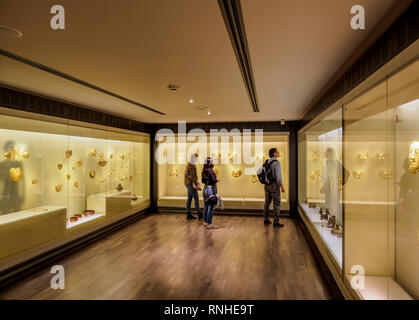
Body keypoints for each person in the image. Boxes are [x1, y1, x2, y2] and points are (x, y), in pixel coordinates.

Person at [263, 148, 285, 227]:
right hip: (274, 185)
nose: (279, 153)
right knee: (276, 203)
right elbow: (278, 176)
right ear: (274, 153)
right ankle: (276, 222)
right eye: (277, 152)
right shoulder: (276, 163)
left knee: (267, 202)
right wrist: (282, 186)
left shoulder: (266, 162)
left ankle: (266, 219)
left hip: (266, 185)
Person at [202, 157, 219, 229]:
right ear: (210, 163)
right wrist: (217, 180)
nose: (214, 163)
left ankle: (205, 222)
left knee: (206, 205)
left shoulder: (204, 171)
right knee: (211, 206)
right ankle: (209, 224)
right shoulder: (211, 171)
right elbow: (213, 180)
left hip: (205, 189)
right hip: (211, 189)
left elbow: (203, 181)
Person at [184, 153, 201, 220]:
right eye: (196, 158)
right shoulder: (191, 166)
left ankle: (188, 214)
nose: (197, 159)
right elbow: (192, 176)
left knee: (189, 199)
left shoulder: (189, 165)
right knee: (196, 198)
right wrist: (196, 184)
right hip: (191, 184)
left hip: (188, 184)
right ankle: (199, 214)